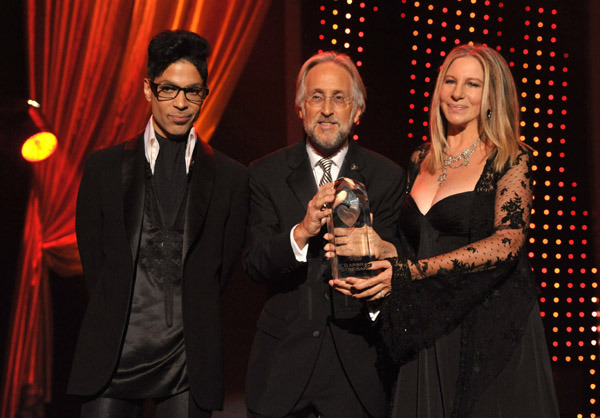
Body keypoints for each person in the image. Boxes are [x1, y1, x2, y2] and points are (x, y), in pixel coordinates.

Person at [329, 44, 559, 417]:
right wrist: (378, 249)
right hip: (428, 322)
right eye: (450, 81)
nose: (457, 93)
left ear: (491, 96)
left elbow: (507, 243)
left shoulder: (509, 156)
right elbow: (413, 246)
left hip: (487, 327)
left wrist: (409, 272)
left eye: (472, 84)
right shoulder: (422, 157)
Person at [67, 30, 249, 417]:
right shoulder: (103, 167)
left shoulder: (231, 178)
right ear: (148, 89)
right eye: (169, 89)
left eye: (193, 91)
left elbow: (222, 269)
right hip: (113, 355)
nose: (181, 103)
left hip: (187, 360)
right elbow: (95, 263)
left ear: (205, 93)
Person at [243, 51, 406, 418]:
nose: (327, 110)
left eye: (339, 98)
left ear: (357, 110)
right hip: (282, 369)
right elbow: (254, 263)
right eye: (316, 97)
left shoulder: (387, 177)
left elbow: (401, 268)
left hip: (359, 369)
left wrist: (379, 250)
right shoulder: (265, 174)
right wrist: (301, 232)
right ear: (300, 107)